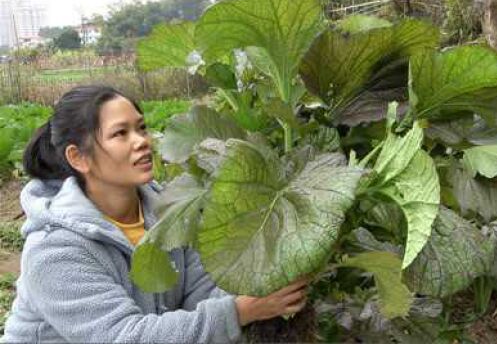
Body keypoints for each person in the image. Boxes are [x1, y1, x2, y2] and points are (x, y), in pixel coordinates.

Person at [1, 86, 307, 343]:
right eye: (121, 133)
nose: (142, 142)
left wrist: (264, 281)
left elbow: (199, 295)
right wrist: (241, 311)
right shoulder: (54, 250)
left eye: (142, 128)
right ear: (78, 157)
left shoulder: (168, 211)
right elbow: (127, 337)